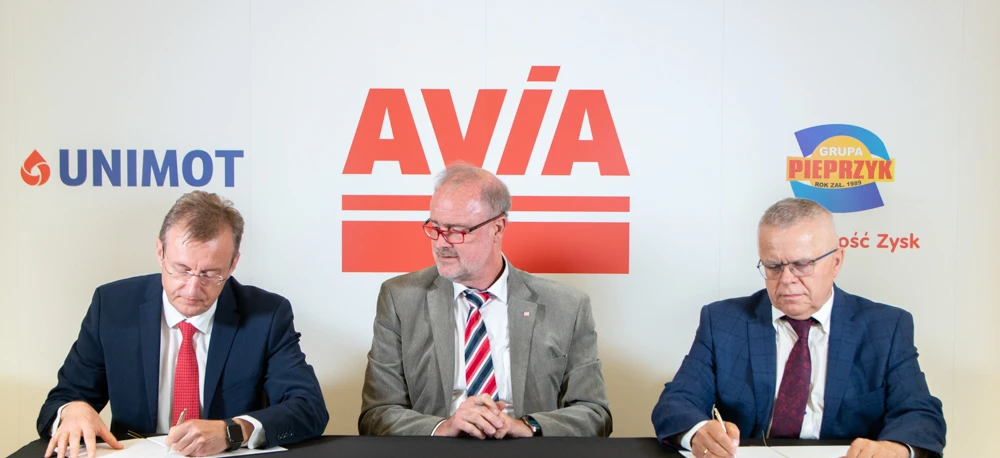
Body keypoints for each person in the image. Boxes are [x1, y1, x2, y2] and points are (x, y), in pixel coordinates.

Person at [38, 191, 328, 458]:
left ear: (233, 264)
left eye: (210, 274)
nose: (191, 289)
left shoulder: (266, 315)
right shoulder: (112, 307)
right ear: (160, 252)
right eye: (181, 270)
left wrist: (233, 430)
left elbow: (309, 408)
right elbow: (60, 401)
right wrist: (73, 411)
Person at [651, 197, 946, 458]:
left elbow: (920, 414)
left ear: (837, 261)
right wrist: (699, 432)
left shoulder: (887, 327)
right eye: (773, 267)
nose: (787, 279)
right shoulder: (723, 321)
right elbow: (676, 402)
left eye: (802, 265)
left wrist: (894, 450)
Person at [358, 163, 612, 439]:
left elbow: (594, 415)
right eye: (435, 228)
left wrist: (525, 426)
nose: (441, 243)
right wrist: (444, 427)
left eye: (456, 231)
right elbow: (376, 415)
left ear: (497, 228)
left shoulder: (567, 306)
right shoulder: (400, 298)